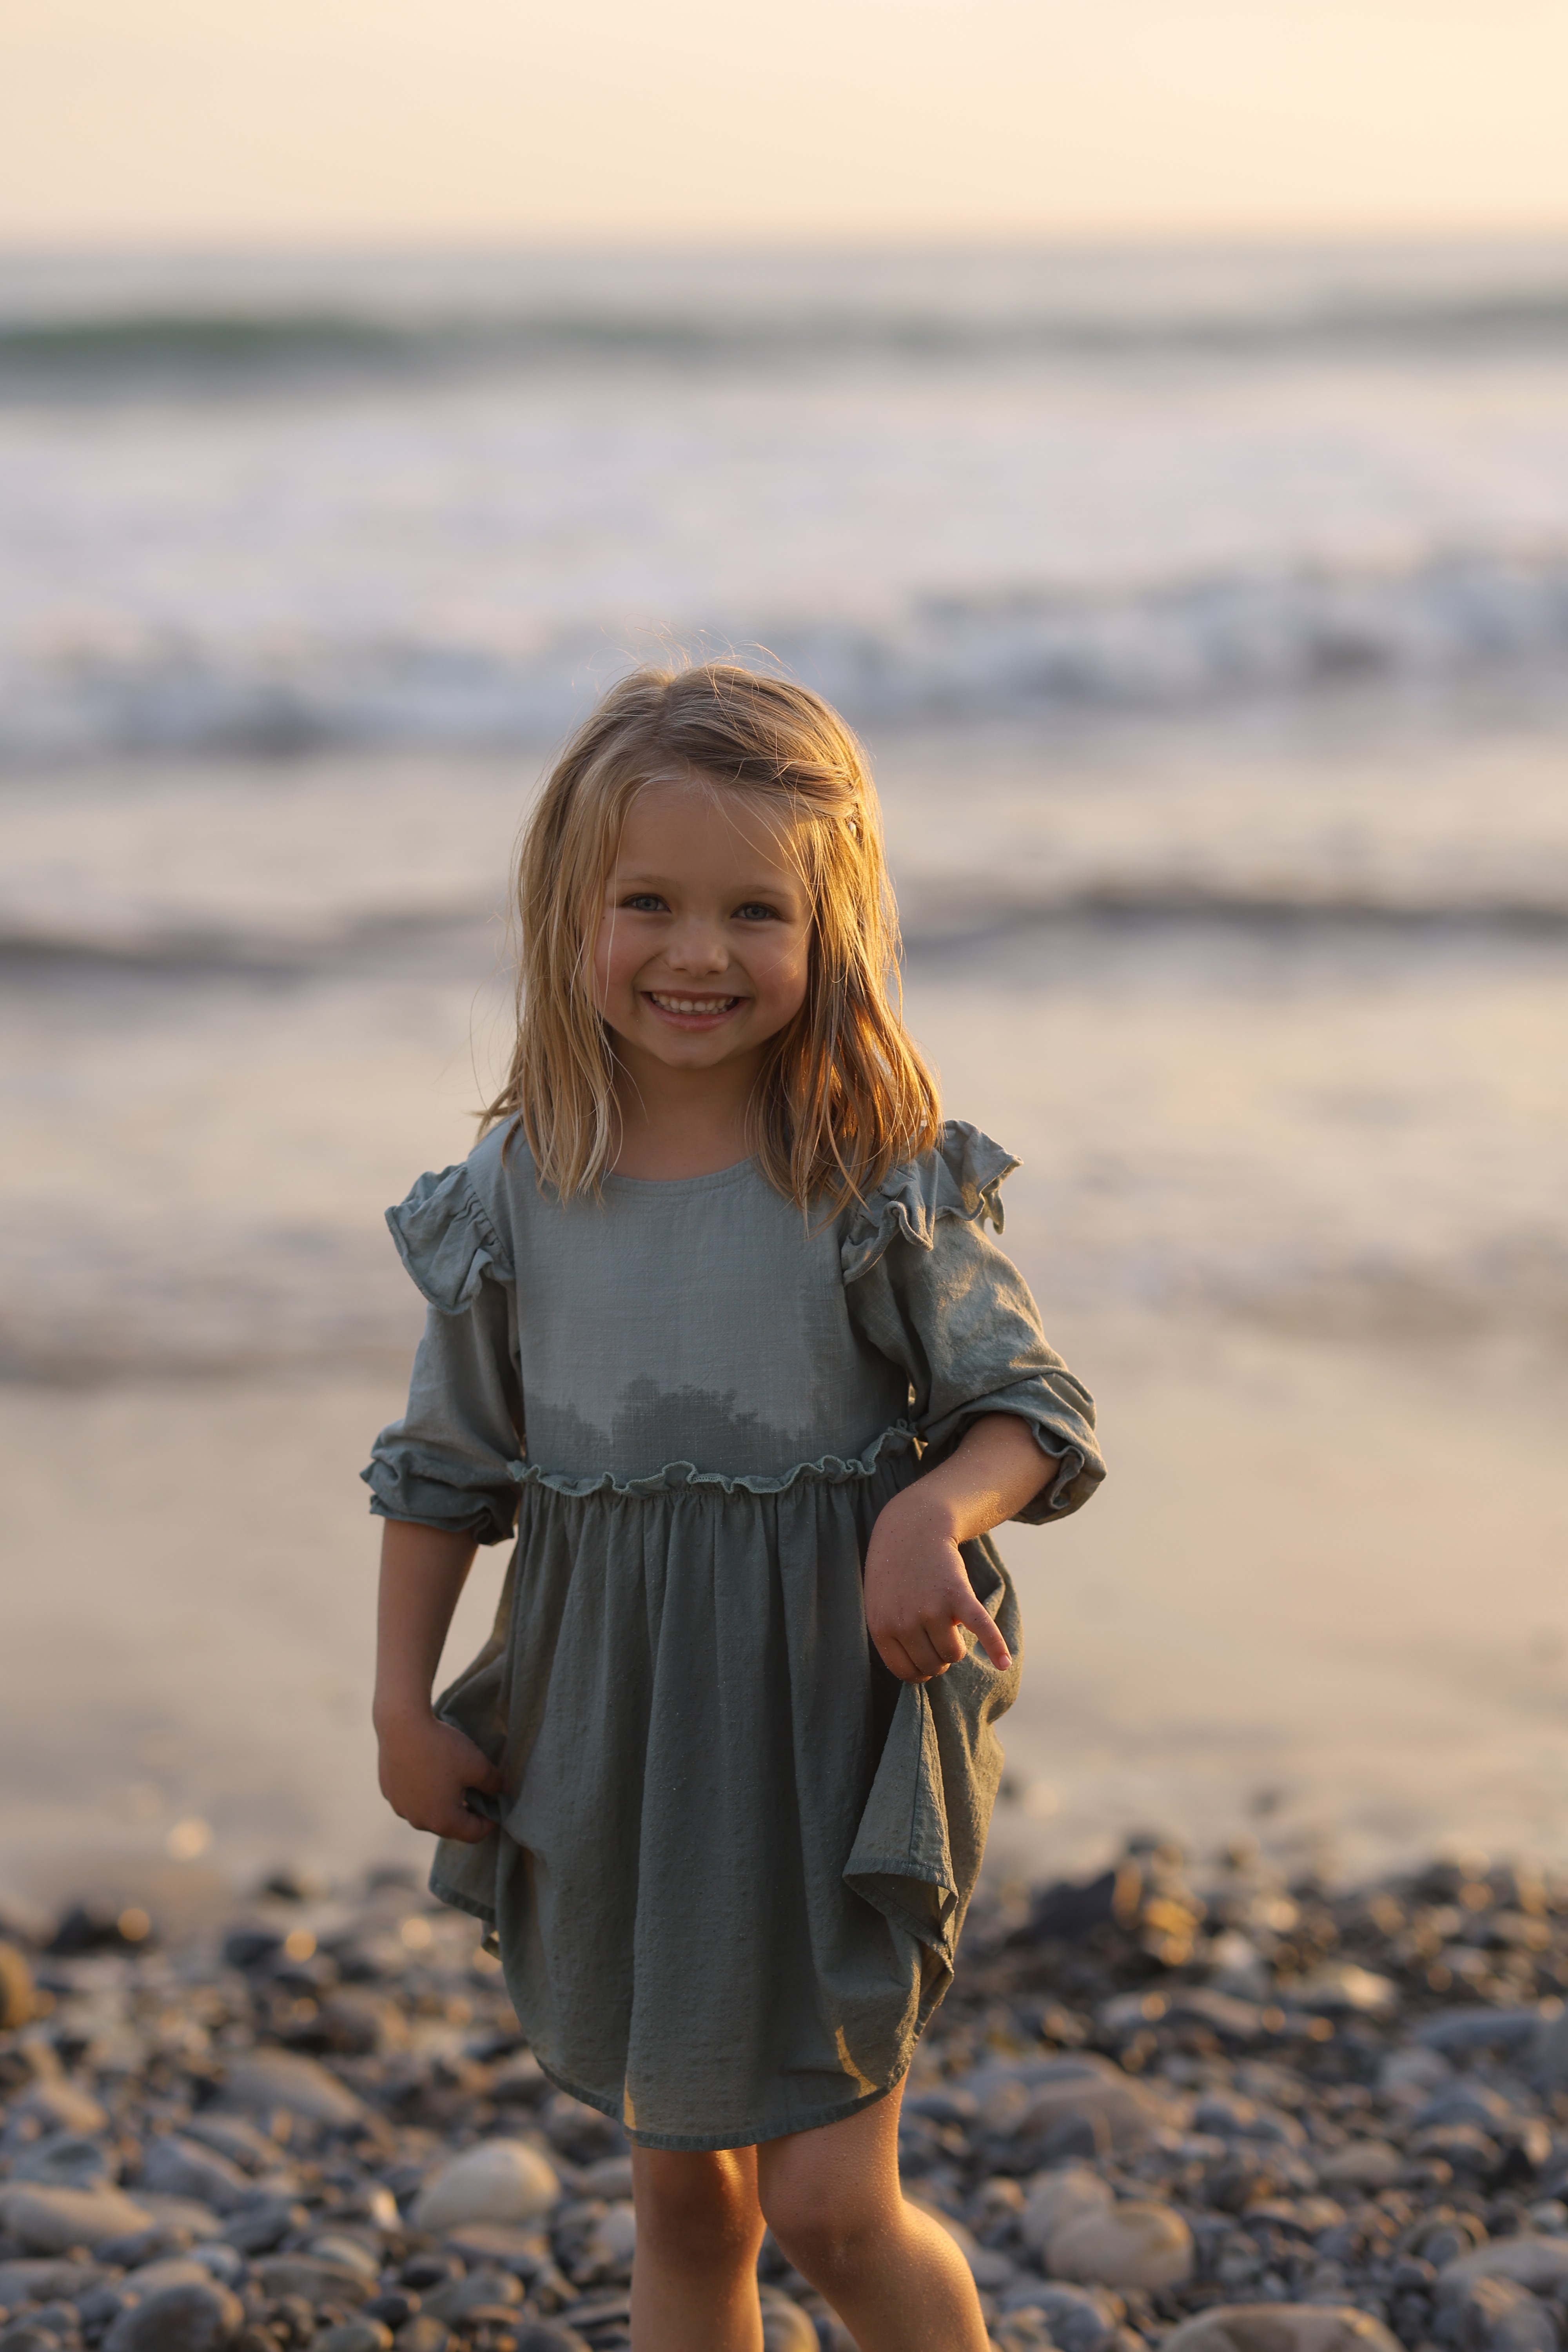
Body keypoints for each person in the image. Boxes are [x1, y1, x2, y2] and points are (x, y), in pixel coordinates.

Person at [364, 661, 1105, 2352]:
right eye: (649, 903)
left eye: (753, 911)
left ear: (829, 928)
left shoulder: (871, 1165)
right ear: (570, 909)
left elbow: (1031, 1413)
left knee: (832, 2204)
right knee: (686, 2207)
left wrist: (931, 1513)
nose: (697, 953)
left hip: (842, 1720)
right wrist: (402, 1704)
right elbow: (440, 1473)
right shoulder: (514, 1188)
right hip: (620, 1738)